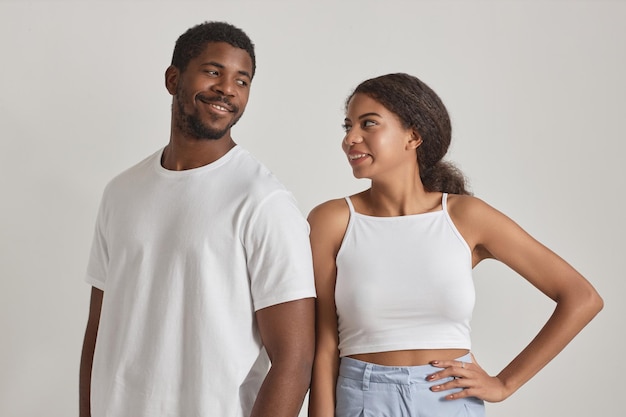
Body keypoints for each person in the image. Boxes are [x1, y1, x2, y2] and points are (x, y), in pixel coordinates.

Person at [307, 73, 603, 417]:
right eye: (348, 127)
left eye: (368, 123)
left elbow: (581, 298)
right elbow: (325, 343)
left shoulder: (465, 216)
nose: (350, 139)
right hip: (363, 397)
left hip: (447, 400)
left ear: (412, 136)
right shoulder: (332, 220)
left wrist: (505, 383)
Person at [79, 21, 316, 417]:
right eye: (213, 72)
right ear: (173, 79)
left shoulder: (263, 201)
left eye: (243, 81)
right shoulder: (121, 192)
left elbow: (296, 359)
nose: (228, 89)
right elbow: (97, 329)